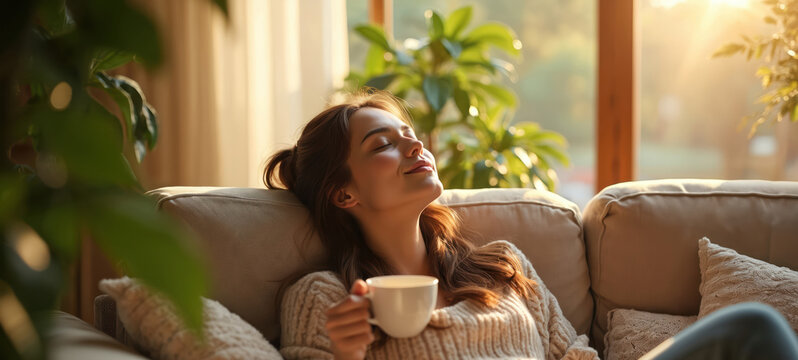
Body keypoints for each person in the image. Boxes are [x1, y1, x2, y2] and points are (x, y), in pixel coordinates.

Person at [264, 90, 798, 360]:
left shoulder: (502, 267)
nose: (413, 144)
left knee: (755, 327)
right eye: (381, 144)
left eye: (410, 133)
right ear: (344, 193)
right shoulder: (327, 300)